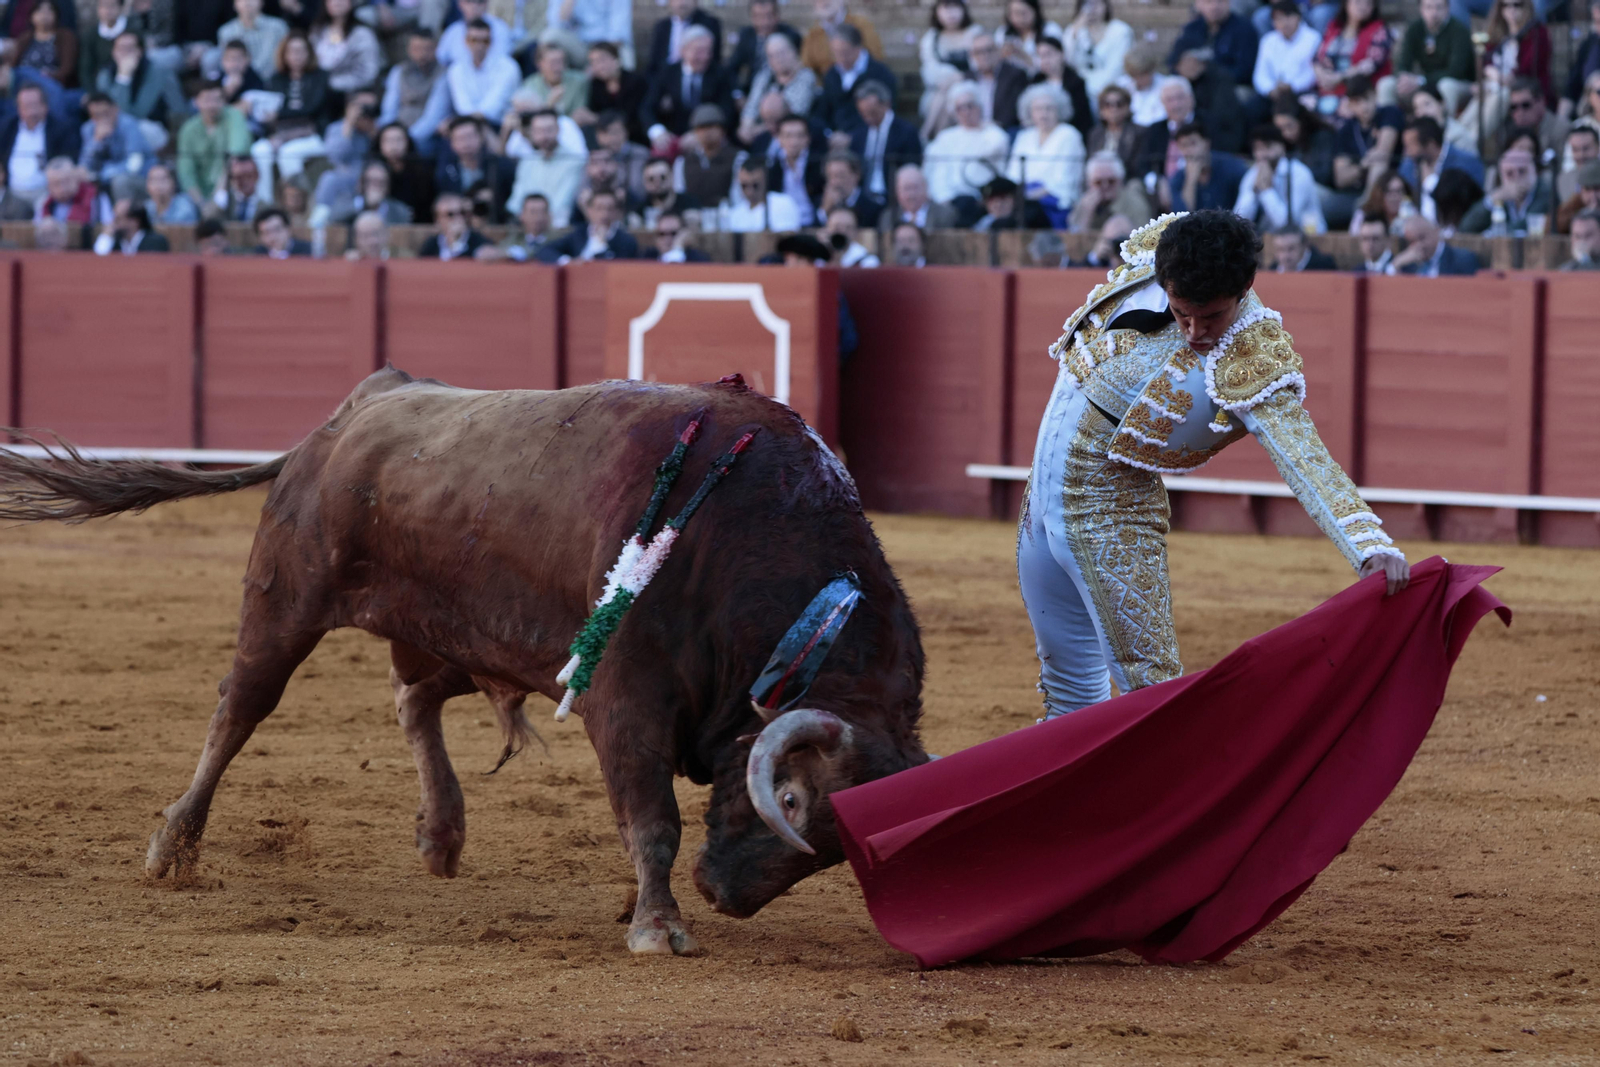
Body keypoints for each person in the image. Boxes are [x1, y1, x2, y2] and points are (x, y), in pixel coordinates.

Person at [1020, 209, 1406, 718]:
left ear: (1245, 289)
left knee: (1151, 696)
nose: (1195, 331)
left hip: (1111, 517)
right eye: (1182, 313)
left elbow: (1303, 455)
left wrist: (1370, 546)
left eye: (1213, 317)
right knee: (1068, 689)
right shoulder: (1158, 253)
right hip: (1039, 499)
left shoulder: (1251, 353)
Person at [252, 31, 335, 192]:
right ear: (284, 54)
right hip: (282, 132)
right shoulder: (276, 79)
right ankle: (265, 201)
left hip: (313, 134)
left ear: (309, 53)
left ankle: (297, 201)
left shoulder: (320, 77)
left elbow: (312, 108)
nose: (296, 56)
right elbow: (270, 108)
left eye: (301, 51)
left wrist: (279, 115)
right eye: (292, 51)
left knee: (288, 152)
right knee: (259, 150)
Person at [1006, 82, 1086, 220]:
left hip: (1056, 203)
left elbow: (1065, 179)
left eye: (1049, 109)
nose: (1043, 114)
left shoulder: (1069, 134)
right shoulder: (1024, 136)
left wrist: (1033, 194)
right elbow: (1013, 174)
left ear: (1059, 110)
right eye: (1038, 109)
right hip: (1024, 200)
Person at [924, 82, 1009, 209]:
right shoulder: (945, 137)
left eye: (970, 106)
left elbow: (994, 158)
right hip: (948, 200)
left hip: (982, 199)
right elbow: (936, 174)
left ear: (979, 107)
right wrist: (944, 199)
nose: (966, 112)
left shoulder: (994, 134)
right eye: (960, 108)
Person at [97, 30, 186, 152]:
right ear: (113, 52)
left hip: (152, 128)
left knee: (140, 130)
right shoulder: (105, 75)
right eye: (121, 48)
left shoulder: (157, 72)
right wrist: (123, 77)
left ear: (140, 51)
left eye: (130, 48)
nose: (125, 53)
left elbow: (136, 113)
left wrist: (124, 76)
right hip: (115, 129)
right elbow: (108, 113)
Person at [640, 24, 733, 137]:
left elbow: (726, 111)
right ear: (683, 50)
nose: (705, 57)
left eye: (708, 51)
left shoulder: (720, 74)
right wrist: (658, 132)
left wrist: (698, 135)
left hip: (707, 138)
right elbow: (647, 107)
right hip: (672, 136)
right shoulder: (667, 73)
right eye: (699, 51)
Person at [1235, 123, 1327, 233]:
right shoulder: (1253, 174)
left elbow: (1286, 224)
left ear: (1282, 147)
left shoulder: (1299, 173)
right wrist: (1254, 192)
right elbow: (1239, 220)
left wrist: (1266, 191)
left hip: (1309, 236)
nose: (1261, 154)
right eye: (1257, 148)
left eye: (1267, 146)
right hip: (1272, 239)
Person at [1389, 0, 1473, 116]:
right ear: (1421, 9)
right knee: (1387, 84)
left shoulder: (1459, 30)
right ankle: (1390, 125)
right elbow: (1402, 61)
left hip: (1460, 83)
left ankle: (1446, 125)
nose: (1434, 13)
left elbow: (1456, 71)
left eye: (1439, 7)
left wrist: (1420, 80)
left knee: (1446, 85)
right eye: (1429, 7)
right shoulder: (1414, 29)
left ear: (1447, 8)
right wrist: (1404, 77)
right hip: (1426, 83)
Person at [0, 84, 79, 203]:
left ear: (45, 106)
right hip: (11, 194)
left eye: (34, 105)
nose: (31, 111)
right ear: (18, 108)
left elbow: (67, 161)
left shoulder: (62, 129)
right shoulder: (6, 128)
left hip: (48, 194)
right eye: (26, 106)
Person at [815, 22, 898, 136]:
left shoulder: (880, 74)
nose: (840, 58)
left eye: (845, 52)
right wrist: (829, 134)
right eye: (836, 53)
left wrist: (854, 137)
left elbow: (885, 114)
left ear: (858, 47)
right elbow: (823, 111)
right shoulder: (832, 74)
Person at [1398, 117, 1483, 223]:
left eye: (1411, 146)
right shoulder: (1408, 166)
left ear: (1431, 144)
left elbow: (1473, 204)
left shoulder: (1466, 163)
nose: (1407, 153)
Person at [849, 80, 920, 200]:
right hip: (863, 197)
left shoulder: (906, 132)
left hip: (894, 197)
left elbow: (911, 168)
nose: (868, 119)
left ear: (887, 104)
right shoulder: (859, 134)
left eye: (873, 113)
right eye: (864, 114)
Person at [1332, 74, 1400, 199]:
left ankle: (1368, 206)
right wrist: (1363, 166)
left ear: (1375, 95)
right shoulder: (1346, 130)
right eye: (1357, 101)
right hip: (1352, 194)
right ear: (1350, 105)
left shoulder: (1389, 113)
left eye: (1367, 98)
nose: (1364, 106)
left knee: (1379, 162)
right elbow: (1341, 179)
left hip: (1390, 188)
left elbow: (1382, 154)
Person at [380, 30, 450, 151]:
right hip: (397, 132)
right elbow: (389, 110)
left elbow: (433, 118)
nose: (422, 54)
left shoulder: (444, 74)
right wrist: (387, 134)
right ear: (409, 49)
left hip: (425, 136)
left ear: (436, 49)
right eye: (417, 49)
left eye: (427, 49)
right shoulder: (398, 71)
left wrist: (406, 140)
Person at [740, 33, 816, 144]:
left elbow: (796, 112)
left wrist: (758, 130)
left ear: (793, 52)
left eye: (781, 53)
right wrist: (746, 127)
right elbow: (751, 107)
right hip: (760, 136)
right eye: (772, 56)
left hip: (791, 136)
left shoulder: (806, 77)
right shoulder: (764, 77)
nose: (778, 59)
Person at [1459, 147, 1553, 235]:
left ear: (1534, 172)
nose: (1516, 177)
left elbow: (1527, 224)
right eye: (1509, 173)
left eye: (1522, 171)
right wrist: (1492, 199)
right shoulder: (1501, 196)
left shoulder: (1546, 194)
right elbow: (1466, 228)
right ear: (1501, 176)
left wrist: (1493, 233)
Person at [1168, 0, 1258, 91]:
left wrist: (1207, 71)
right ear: (1198, 4)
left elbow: (1246, 72)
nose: (1214, 6)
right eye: (1208, 2)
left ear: (1228, 3)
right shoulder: (1191, 29)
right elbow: (1173, 63)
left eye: (1220, 1)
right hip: (1195, 86)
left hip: (1231, 87)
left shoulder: (1244, 28)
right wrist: (1184, 70)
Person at [1312, 0, 1392, 103]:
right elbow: (1316, 58)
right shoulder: (1334, 26)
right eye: (1358, 2)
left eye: (1368, 3)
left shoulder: (1379, 30)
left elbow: (1372, 64)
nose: (1363, 7)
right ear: (1346, 4)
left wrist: (1338, 78)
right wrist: (1322, 76)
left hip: (1359, 94)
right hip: (1325, 89)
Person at [446, 18, 521, 126]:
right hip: (469, 123)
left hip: (500, 124)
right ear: (466, 41)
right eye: (474, 40)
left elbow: (494, 106)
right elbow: (462, 106)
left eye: (485, 41)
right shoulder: (456, 69)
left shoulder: (508, 66)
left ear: (491, 42)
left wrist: (473, 120)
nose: (479, 45)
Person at [919, 0, 983, 120]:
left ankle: (928, 130)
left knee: (952, 97)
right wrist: (947, 79)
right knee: (941, 97)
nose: (951, 13)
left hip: (971, 85)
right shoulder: (931, 39)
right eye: (946, 8)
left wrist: (960, 77)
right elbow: (929, 69)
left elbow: (982, 66)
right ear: (936, 12)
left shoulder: (974, 34)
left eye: (955, 7)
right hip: (942, 87)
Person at [1167, 123, 1249, 213]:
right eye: (1183, 146)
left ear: (1206, 143)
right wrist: (1190, 181)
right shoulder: (1177, 179)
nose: (1189, 151)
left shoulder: (1231, 167)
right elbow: (1182, 215)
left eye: (1193, 143)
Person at [728, 0, 800, 100]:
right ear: (752, 18)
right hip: (751, 92)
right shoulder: (746, 36)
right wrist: (738, 94)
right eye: (759, 17)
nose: (764, 22)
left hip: (784, 92)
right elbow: (732, 68)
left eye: (769, 16)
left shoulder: (790, 36)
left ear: (777, 16)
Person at [1060, 0, 1132, 99]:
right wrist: (1075, 33)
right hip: (1079, 92)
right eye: (1087, 3)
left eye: (1096, 3)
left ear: (1105, 5)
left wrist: (1095, 89)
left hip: (1111, 92)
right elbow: (1066, 61)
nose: (1092, 8)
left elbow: (1117, 68)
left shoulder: (1120, 31)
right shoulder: (1074, 31)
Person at [77, 91, 148, 192]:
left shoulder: (128, 125)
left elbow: (134, 164)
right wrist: (96, 141)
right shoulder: (88, 129)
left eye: (105, 113)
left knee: (119, 181)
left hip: (139, 177)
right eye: (96, 115)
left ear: (115, 109)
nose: (102, 118)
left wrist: (102, 174)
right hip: (106, 176)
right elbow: (84, 165)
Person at [543, 187, 637, 262]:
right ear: (589, 210)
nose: (604, 214)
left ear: (617, 212)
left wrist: (601, 245)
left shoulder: (626, 241)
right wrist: (568, 262)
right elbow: (546, 251)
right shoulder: (579, 234)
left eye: (609, 209)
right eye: (599, 208)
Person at [1067, 150, 1152, 232]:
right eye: (1098, 182)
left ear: (1120, 181)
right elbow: (1073, 234)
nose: (1105, 186)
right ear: (1089, 183)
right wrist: (1086, 213)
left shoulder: (1135, 203)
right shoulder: (1084, 203)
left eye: (1111, 181)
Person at [1254, 0, 1320, 100]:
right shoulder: (1268, 40)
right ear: (1273, 22)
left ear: (1298, 17)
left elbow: (1312, 74)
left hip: (1301, 92)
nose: (1284, 23)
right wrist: (1270, 89)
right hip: (1273, 93)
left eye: (1288, 16)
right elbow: (1260, 74)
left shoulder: (1313, 38)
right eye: (1279, 19)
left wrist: (1292, 86)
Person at [1034, 34, 1095, 142]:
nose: (1045, 60)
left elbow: (1083, 118)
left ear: (1061, 54)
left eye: (1048, 54)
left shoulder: (1076, 83)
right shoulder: (1035, 82)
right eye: (1040, 56)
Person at [767, 112, 824, 226]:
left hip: (814, 223)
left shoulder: (820, 165)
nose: (794, 142)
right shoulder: (772, 167)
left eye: (799, 135)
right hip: (782, 224)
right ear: (779, 139)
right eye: (788, 136)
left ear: (808, 138)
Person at [800, 0, 883, 78]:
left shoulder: (861, 25)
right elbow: (807, 68)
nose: (824, 1)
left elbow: (876, 57)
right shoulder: (813, 35)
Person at [645, 0, 722, 80]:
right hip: (664, 79)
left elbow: (714, 59)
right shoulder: (661, 26)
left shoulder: (709, 24)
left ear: (695, 2)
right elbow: (654, 61)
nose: (682, 3)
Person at [218, 0, 289, 82]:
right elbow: (226, 63)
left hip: (275, 81)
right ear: (234, 4)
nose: (247, 2)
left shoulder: (278, 27)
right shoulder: (226, 31)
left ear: (261, 2)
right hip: (240, 83)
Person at [724, 158, 802, 232]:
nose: (749, 191)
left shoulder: (783, 204)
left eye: (755, 185)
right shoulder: (736, 214)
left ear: (765, 181)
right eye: (744, 186)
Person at [1387, 212, 1476, 274]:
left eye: (1422, 238)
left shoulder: (1462, 259)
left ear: (1436, 232)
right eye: (1412, 242)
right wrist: (1396, 264)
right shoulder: (1409, 264)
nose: (1418, 245)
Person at [15, 0, 77, 88]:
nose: (44, 15)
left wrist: (50, 76)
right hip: (23, 82)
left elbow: (67, 69)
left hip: (51, 83)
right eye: (39, 10)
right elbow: (13, 65)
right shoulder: (24, 38)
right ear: (31, 16)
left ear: (56, 15)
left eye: (49, 10)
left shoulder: (66, 36)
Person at [882, 163, 961, 231]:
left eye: (915, 187)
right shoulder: (889, 218)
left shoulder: (945, 214)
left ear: (926, 188)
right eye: (907, 188)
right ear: (897, 191)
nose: (911, 194)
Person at [520, 42, 588, 120]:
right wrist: (549, 104)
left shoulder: (579, 81)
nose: (557, 68)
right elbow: (531, 119)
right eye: (552, 62)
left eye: (560, 62)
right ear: (539, 64)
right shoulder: (530, 85)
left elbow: (580, 113)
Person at [418, 191, 493, 259]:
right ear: (438, 219)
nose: (458, 218)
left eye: (462, 212)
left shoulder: (478, 241)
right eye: (450, 214)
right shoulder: (431, 244)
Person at [437, 0, 511, 68]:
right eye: (469, 1)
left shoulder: (500, 28)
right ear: (460, 3)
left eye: (480, 2)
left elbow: (504, 63)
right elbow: (441, 60)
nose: (474, 6)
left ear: (487, 4)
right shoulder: (452, 31)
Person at [996, 0, 1062, 75]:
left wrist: (1024, 56)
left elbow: (1057, 63)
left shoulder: (1049, 30)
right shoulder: (1003, 33)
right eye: (1015, 13)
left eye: (1023, 13)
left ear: (1035, 11)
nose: (1020, 18)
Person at [1117, 43, 1175, 128]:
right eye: (1135, 75)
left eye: (1143, 74)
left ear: (1152, 70)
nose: (1139, 79)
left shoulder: (1167, 86)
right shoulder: (1121, 86)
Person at [1087, 84, 1139, 177]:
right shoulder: (1095, 134)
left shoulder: (1139, 133)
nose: (1113, 109)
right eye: (1107, 105)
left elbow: (1137, 168)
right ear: (1101, 110)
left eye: (1119, 104)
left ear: (1127, 108)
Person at [1563, 1, 1600, 120]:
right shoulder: (1589, 43)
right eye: (1596, 21)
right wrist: (1561, 119)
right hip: (1585, 114)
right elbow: (1572, 87)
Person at [1349, 168, 1416, 233]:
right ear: (1379, 194)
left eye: (1399, 191)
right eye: (1389, 192)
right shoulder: (1364, 214)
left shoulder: (1412, 214)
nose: (1395, 197)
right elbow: (1354, 237)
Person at [94, 197, 168, 254]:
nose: (113, 223)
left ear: (134, 221)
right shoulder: (114, 242)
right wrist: (106, 236)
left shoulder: (155, 242)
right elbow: (99, 260)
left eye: (118, 219)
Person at [215, 154, 270, 222]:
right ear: (231, 178)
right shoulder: (223, 203)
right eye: (239, 177)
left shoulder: (266, 207)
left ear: (257, 175)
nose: (245, 181)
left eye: (249, 176)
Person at [501, 192, 553, 260]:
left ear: (549, 215)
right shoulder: (514, 239)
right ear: (521, 215)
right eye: (533, 212)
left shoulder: (558, 240)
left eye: (543, 212)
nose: (538, 217)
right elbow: (499, 251)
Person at [143, 160, 198, 225]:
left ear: (173, 183)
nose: (158, 184)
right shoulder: (146, 208)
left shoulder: (185, 207)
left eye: (163, 179)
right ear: (147, 185)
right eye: (154, 180)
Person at [1558, 126, 1599, 203]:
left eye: (1586, 148)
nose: (1581, 155)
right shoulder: (1564, 180)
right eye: (1576, 149)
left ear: (1597, 147)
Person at [1269, 225, 1336, 269]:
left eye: (1291, 249)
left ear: (1304, 246)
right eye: (1280, 249)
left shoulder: (1324, 266)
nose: (1286, 256)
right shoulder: (1272, 270)